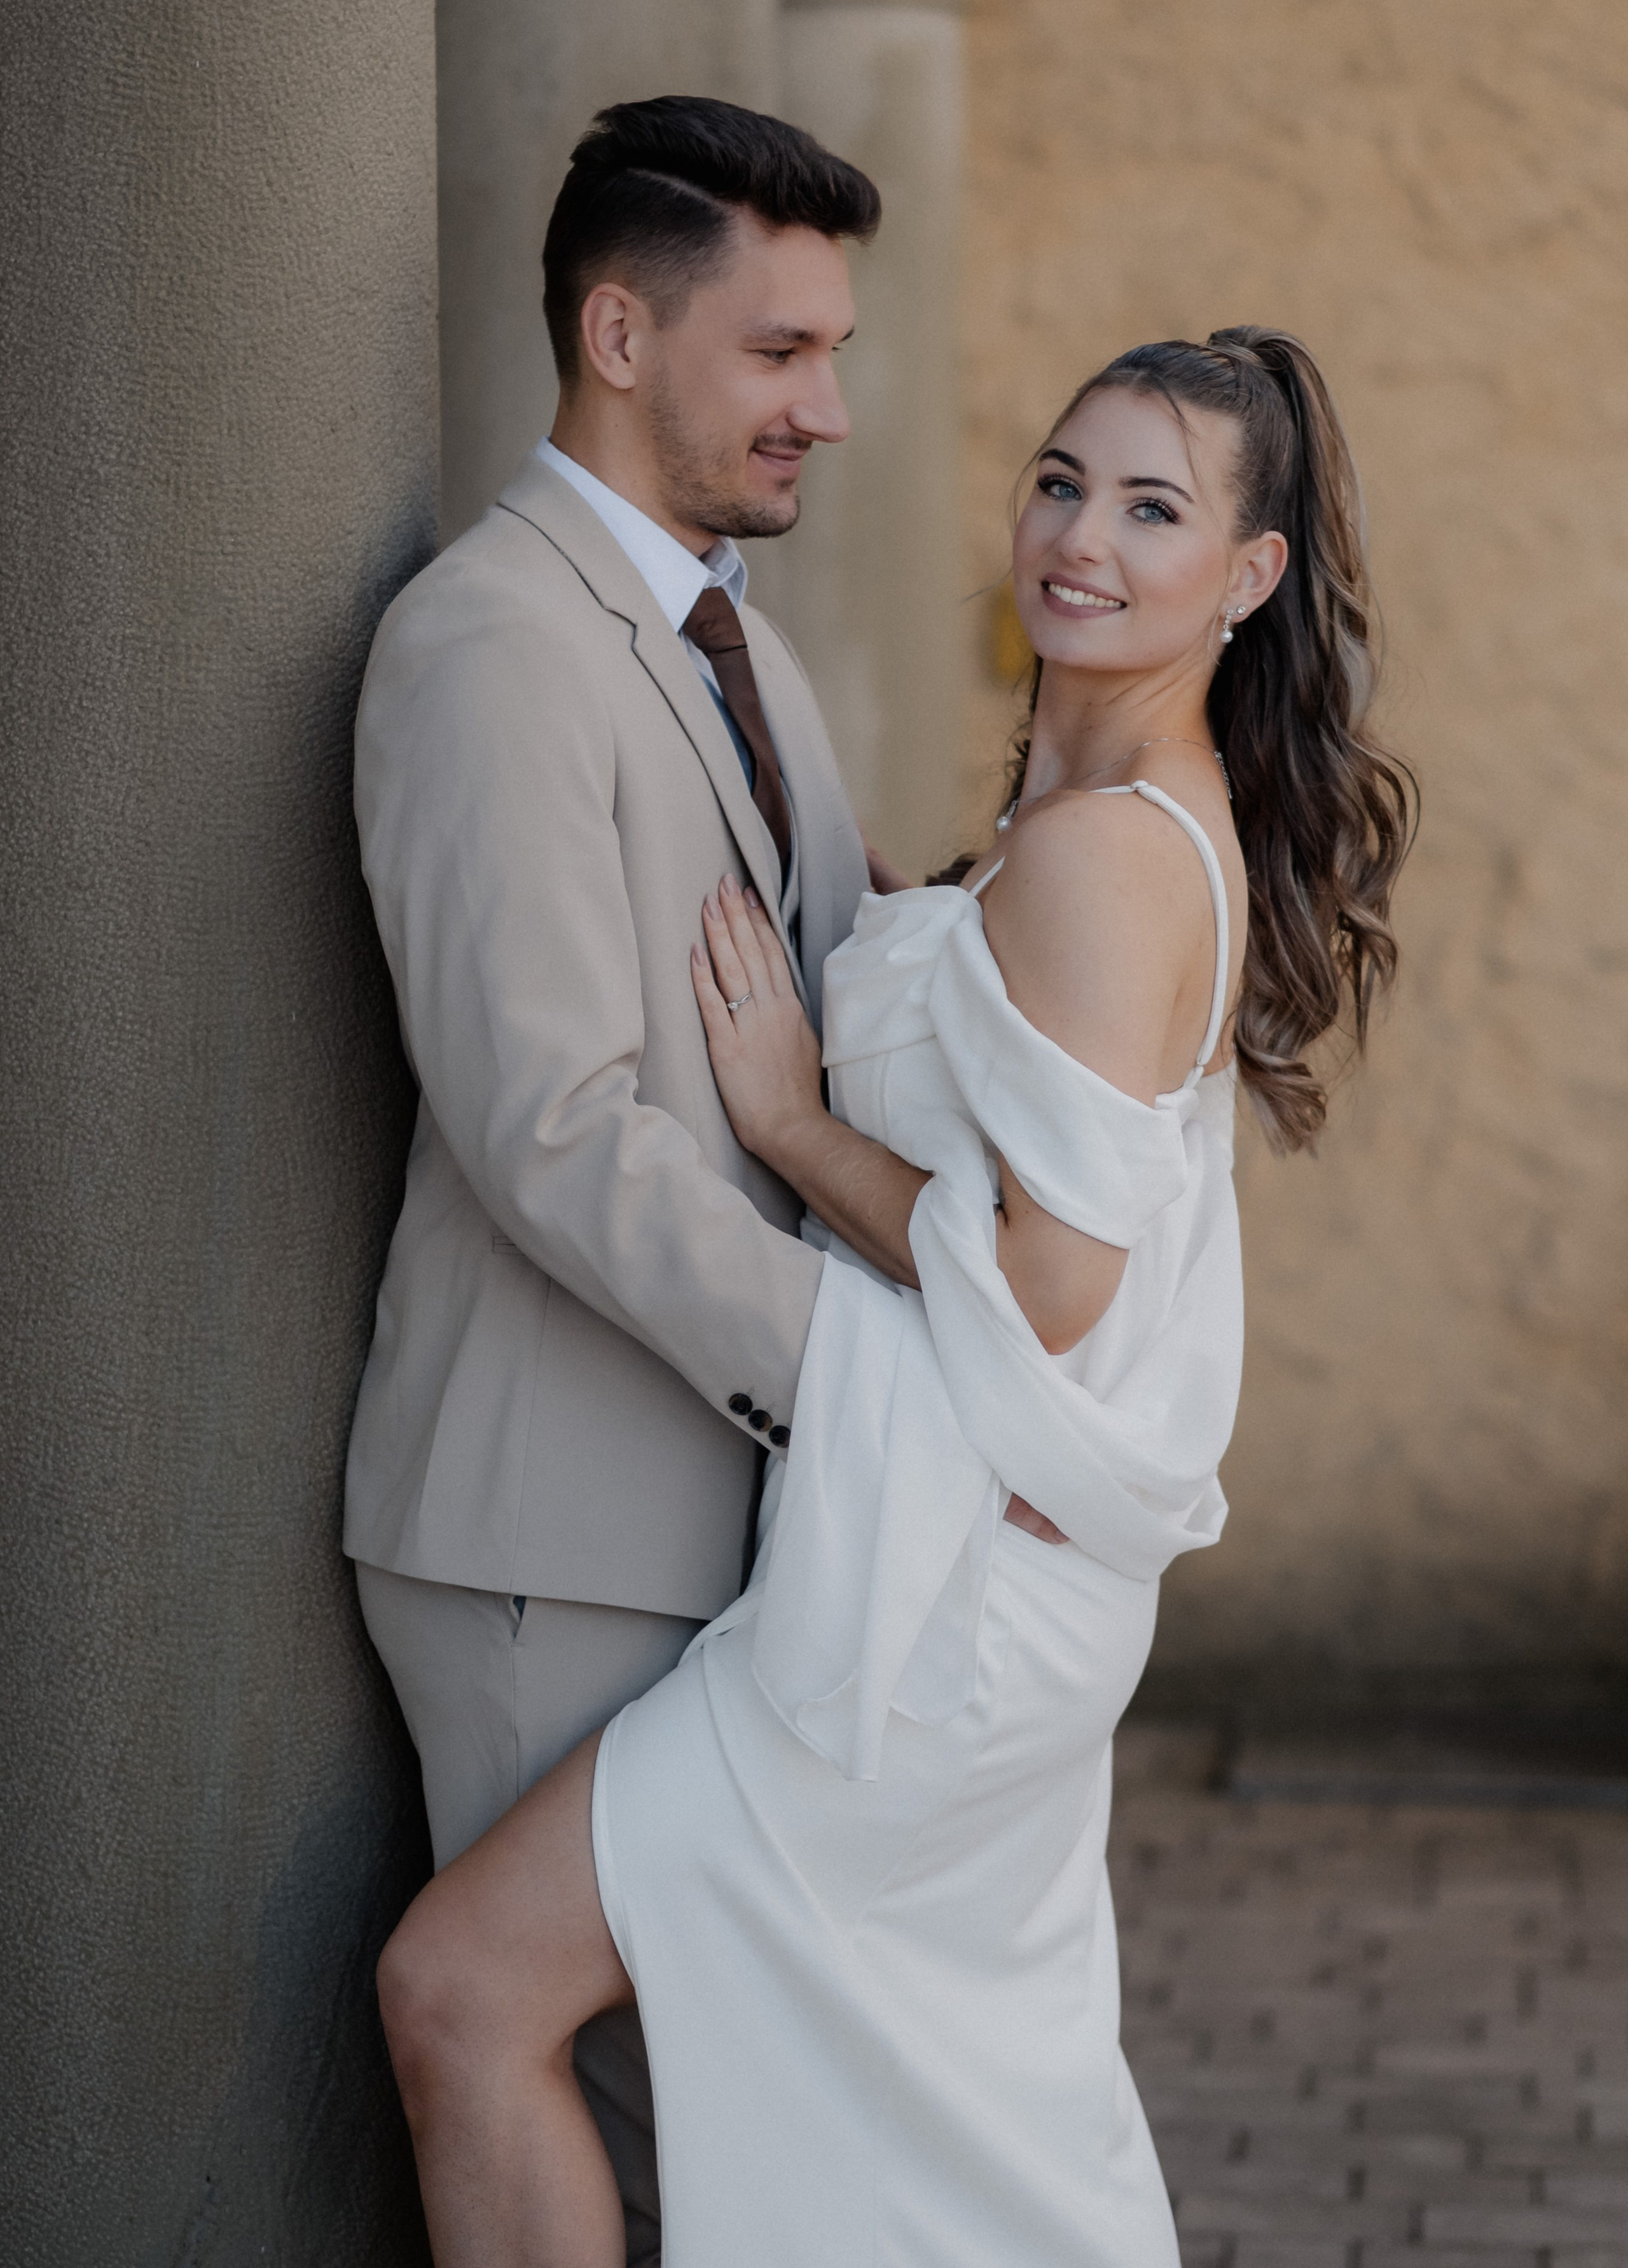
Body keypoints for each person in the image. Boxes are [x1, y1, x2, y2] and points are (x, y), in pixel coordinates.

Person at [375, 328, 1416, 2266]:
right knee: (919, 2126)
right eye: (1059, 479)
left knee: (466, 1992)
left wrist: (781, 1112)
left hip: (941, 1610)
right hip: (959, 1567)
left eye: (1154, 507)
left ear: (1250, 575)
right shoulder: (1081, 822)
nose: (1079, 537)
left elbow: (1053, 1281)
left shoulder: (1112, 856)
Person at [345, 95, 882, 2264]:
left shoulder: (741, 640)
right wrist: (869, 1368)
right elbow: (550, 1127)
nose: (828, 410)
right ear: (619, 331)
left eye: (836, 353)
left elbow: (822, 1009)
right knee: (639, 2121)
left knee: (731, 2126)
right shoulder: (492, 644)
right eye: (781, 354)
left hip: (736, 1513)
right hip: (555, 1535)